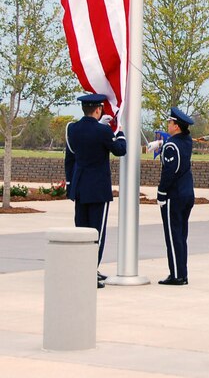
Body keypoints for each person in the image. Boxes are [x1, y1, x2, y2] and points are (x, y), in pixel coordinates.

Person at [64, 93, 127, 288]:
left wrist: (69, 184)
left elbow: (70, 158)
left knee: (81, 229)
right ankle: (90, 271)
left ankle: (83, 269)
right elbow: (120, 150)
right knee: (96, 231)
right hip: (98, 188)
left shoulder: (72, 129)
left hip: (80, 186)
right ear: (98, 110)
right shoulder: (103, 131)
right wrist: (120, 132)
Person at [156, 108, 195, 286]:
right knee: (181, 235)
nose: (168, 125)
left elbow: (169, 172)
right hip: (187, 193)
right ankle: (182, 272)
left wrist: (161, 193)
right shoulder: (186, 141)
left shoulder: (172, 146)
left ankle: (177, 275)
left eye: (170, 123)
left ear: (177, 126)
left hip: (175, 195)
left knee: (173, 237)